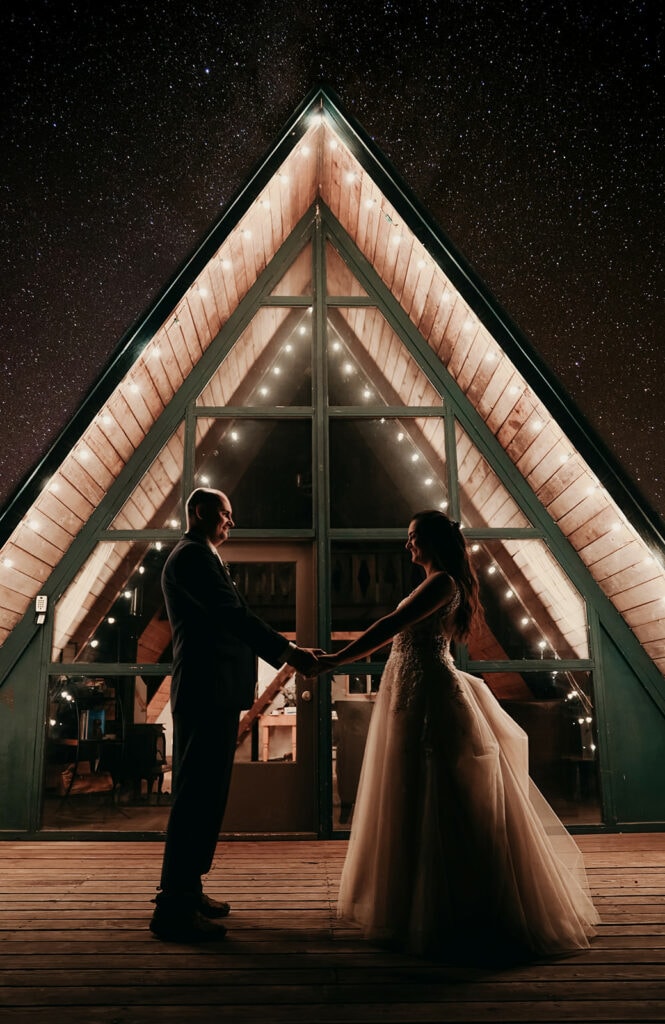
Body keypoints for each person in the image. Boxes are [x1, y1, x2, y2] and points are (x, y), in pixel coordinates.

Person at [315, 510, 600, 961]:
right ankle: (414, 904)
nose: (407, 545)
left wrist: (334, 659)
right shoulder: (436, 583)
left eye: (413, 537)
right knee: (413, 794)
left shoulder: (442, 583)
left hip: (430, 696)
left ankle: (460, 909)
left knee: (439, 794)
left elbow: (389, 627)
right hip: (413, 692)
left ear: (431, 540)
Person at [150, 487, 322, 943]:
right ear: (202, 512)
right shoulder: (191, 557)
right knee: (195, 798)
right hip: (206, 692)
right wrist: (289, 652)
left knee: (207, 796)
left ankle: (189, 887)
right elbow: (232, 615)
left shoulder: (200, 555)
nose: (231, 522)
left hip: (215, 692)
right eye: (226, 515)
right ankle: (173, 908)